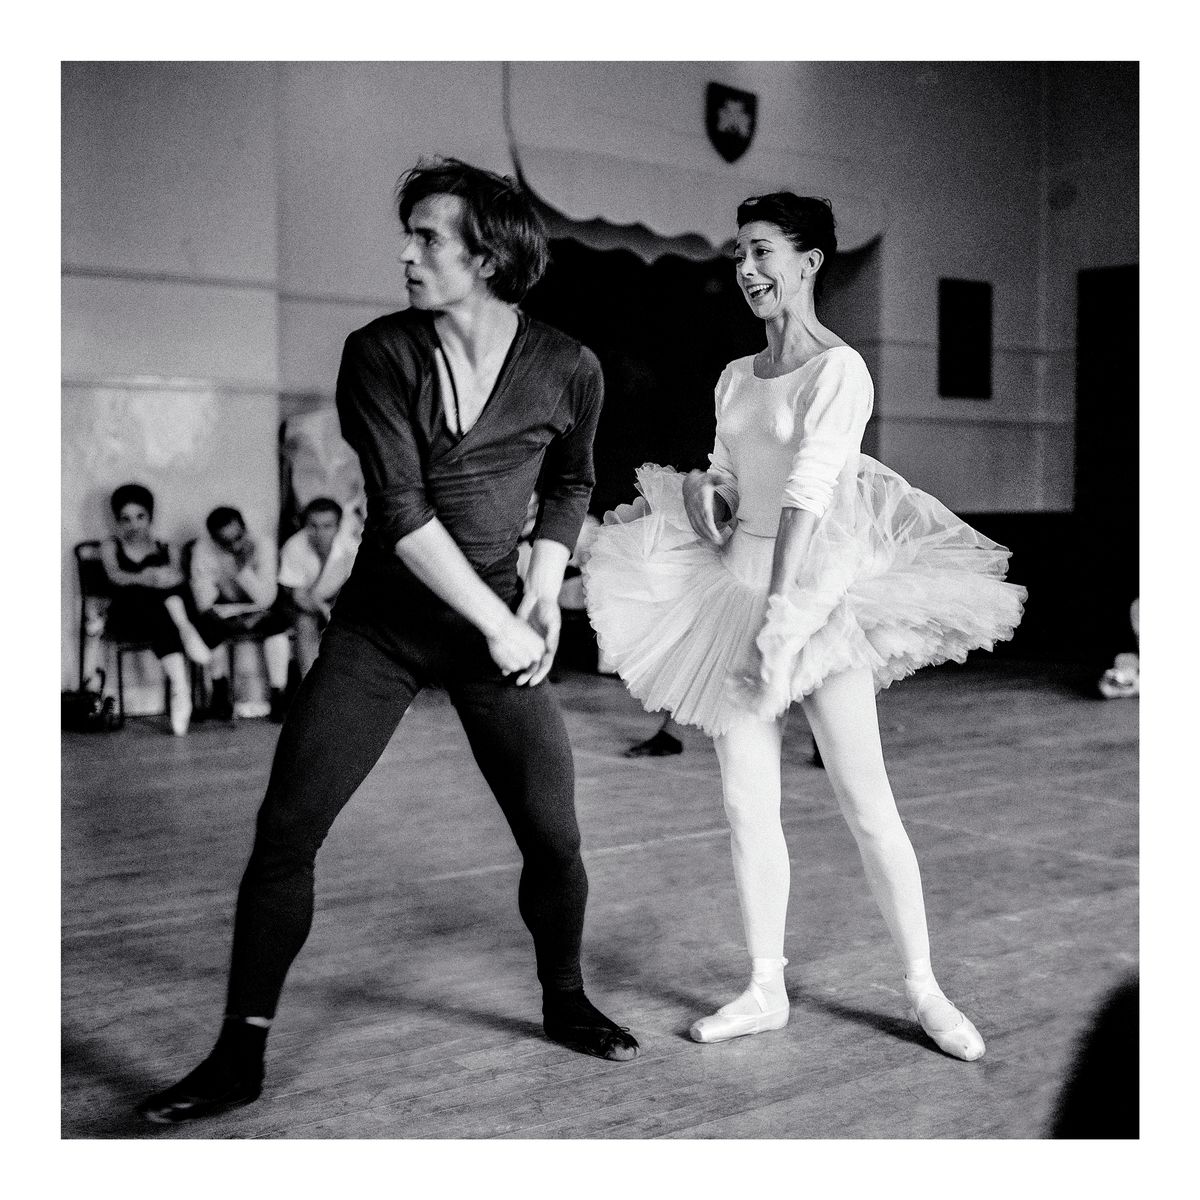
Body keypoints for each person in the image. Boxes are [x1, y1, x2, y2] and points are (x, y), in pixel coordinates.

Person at [136, 158, 637, 1125]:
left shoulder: (569, 365)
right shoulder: (377, 353)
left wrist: (537, 596)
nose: (405, 255)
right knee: (286, 831)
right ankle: (239, 1054)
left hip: (498, 623)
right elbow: (402, 514)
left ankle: (565, 997)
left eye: (428, 239)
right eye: (406, 236)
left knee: (554, 836)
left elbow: (571, 483)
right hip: (384, 630)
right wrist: (500, 624)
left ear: (487, 256)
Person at [585, 193, 1026, 1059]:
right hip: (732, 588)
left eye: (761, 253)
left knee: (867, 803)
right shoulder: (736, 375)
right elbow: (727, 474)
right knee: (748, 807)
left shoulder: (841, 371)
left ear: (811, 260)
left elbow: (808, 493)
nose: (746, 271)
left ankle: (926, 988)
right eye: (737, 256)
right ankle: (763, 986)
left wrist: (783, 619)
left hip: (816, 597)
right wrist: (711, 500)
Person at [98, 483, 211, 736]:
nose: (134, 525)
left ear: (150, 517)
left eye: (140, 517)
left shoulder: (167, 547)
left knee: (171, 594)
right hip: (129, 615)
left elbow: (180, 577)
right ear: (117, 521)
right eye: (125, 519)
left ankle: (181, 689)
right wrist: (145, 577)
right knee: (153, 597)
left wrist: (164, 578)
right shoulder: (111, 546)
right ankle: (186, 631)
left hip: (160, 620)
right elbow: (115, 576)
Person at [189, 506, 292, 722]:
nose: (235, 546)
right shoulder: (203, 549)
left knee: (279, 622)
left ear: (245, 529)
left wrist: (242, 568)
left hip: (261, 609)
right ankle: (220, 691)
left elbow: (266, 598)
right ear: (214, 539)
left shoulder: (263, 544)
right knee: (207, 624)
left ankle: (279, 694)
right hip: (224, 611)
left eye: (238, 537)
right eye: (226, 542)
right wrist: (232, 614)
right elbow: (203, 601)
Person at [277, 496, 359, 678]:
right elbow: (297, 597)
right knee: (305, 624)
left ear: (338, 527)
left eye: (327, 526)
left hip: (335, 601)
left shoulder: (351, 548)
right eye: (313, 526)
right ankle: (310, 685)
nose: (319, 532)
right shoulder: (294, 547)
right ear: (305, 525)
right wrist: (325, 610)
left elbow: (355, 588)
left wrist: (337, 613)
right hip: (298, 605)